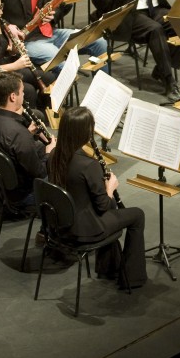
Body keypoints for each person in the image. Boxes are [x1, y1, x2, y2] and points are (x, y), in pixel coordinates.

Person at [48, 106, 146, 289]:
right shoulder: (88, 165)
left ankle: (109, 267)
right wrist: (110, 188)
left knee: (103, 215)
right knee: (137, 215)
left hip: (59, 225)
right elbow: (105, 206)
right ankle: (132, 278)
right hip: (84, 231)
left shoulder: (53, 155)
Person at [0, 72, 54, 206]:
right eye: (22, 92)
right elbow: (39, 172)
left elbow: (7, 147)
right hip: (23, 196)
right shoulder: (19, 134)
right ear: (13, 97)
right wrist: (49, 152)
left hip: (2, 185)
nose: (24, 95)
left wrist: (29, 134)